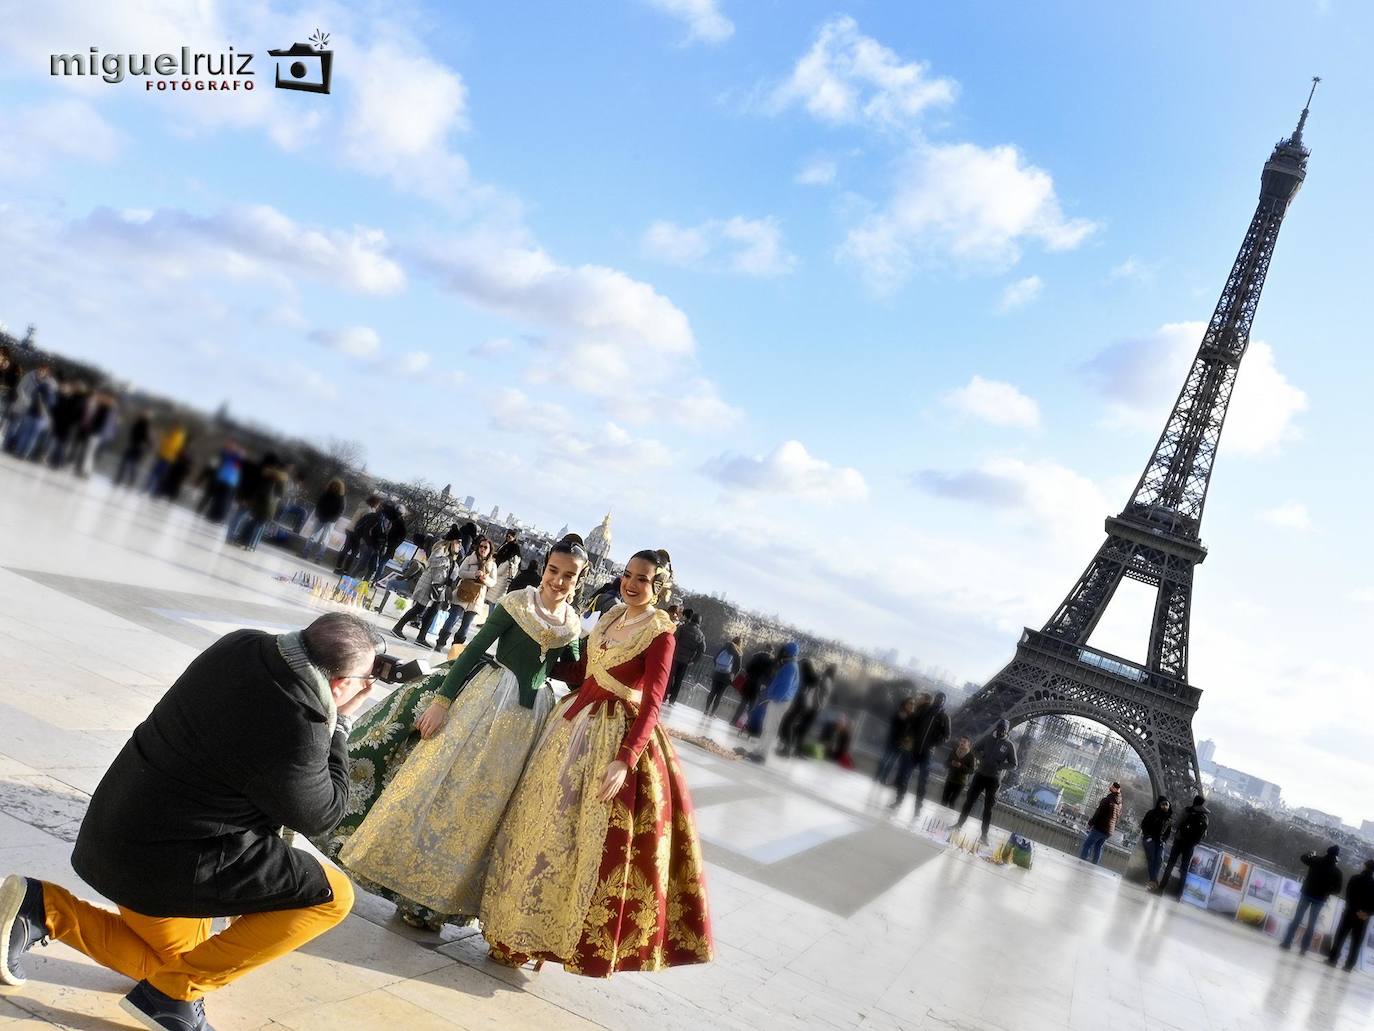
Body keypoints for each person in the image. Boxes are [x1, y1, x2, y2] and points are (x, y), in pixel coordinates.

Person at [0, 613, 378, 1030]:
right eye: (365, 679)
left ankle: (44, 908)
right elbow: (322, 813)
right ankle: (172, 996)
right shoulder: (300, 724)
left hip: (116, 829)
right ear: (340, 684)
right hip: (166, 866)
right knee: (333, 895)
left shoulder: (240, 644)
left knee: (177, 962)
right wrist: (340, 722)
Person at [329, 537, 588, 930]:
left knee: (485, 811)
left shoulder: (572, 623)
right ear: (546, 568)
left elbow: (570, 670)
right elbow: (472, 649)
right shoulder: (517, 602)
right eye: (554, 570)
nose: (558, 580)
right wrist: (442, 702)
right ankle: (409, 888)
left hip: (531, 720)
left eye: (569, 575)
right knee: (448, 789)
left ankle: (441, 903)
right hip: (487, 703)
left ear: (579, 579)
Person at [480, 549, 713, 975]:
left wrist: (626, 758)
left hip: (608, 737)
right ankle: (511, 928)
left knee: (569, 839)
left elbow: (653, 704)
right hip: (569, 725)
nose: (631, 583)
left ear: (658, 586)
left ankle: (541, 937)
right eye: (627, 575)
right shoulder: (608, 618)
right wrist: (539, 642)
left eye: (642, 579)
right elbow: (582, 671)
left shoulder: (661, 633)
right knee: (534, 824)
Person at [391, 525, 463, 647]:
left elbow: (451, 572)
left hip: (440, 586)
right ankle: (397, 628)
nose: (460, 545)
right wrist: (446, 561)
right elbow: (431, 561)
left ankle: (421, 637)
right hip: (429, 583)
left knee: (433, 611)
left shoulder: (453, 555)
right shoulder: (441, 548)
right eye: (458, 542)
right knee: (419, 608)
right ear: (452, 541)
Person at [952, 719, 1018, 846]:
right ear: (996, 728)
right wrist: (981, 758)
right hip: (980, 775)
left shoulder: (1009, 745)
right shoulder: (987, 739)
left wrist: (1000, 765)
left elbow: (1014, 764)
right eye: (999, 729)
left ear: (1007, 731)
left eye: (1003, 730)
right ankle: (959, 825)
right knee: (969, 801)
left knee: (988, 808)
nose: (1001, 732)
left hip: (994, 779)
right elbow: (975, 749)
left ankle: (984, 835)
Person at [891, 691, 950, 815]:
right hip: (915, 749)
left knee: (922, 782)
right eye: (938, 698)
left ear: (944, 702)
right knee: (905, 776)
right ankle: (898, 801)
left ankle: (917, 808)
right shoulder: (925, 711)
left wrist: (934, 743)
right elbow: (913, 724)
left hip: (927, 753)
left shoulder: (944, 717)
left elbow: (946, 736)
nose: (939, 700)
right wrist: (910, 736)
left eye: (942, 699)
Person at [434, 535, 495, 652]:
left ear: (489, 550)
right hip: (463, 593)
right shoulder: (470, 558)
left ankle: (456, 649)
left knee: (466, 625)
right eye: (481, 546)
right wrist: (474, 574)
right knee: (453, 618)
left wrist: (484, 579)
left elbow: (493, 582)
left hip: (477, 598)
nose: (482, 549)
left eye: (485, 547)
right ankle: (440, 643)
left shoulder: (492, 565)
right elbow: (461, 573)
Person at [1281, 846, 1344, 954]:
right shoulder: (1337, 872)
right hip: (1320, 899)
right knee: (1312, 923)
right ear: (1337, 857)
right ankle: (1304, 948)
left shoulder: (1316, 860)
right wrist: (1328, 891)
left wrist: (1310, 853)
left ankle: (1287, 942)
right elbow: (1337, 889)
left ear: (1327, 851)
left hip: (1307, 893)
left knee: (1297, 918)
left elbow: (1303, 858)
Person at [748, 642, 800, 763]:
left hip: (779, 701)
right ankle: (759, 751)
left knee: (770, 728)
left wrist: (772, 697)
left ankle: (762, 754)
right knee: (767, 726)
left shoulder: (790, 667)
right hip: (779, 700)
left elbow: (784, 686)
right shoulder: (791, 666)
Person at [1153, 795, 1209, 898]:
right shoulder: (1205, 817)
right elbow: (1204, 835)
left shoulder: (1187, 811)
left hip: (1179, 841)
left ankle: (1161, 889)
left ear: (1194, 801)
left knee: (1170, 865)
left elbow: (1177, 824)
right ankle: (1179, 895)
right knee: (1184, 869)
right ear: (1202, 804)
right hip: (1190, 845)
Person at [1327, 858, 1374, 971]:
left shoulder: (1355, 878)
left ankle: (1333, 959)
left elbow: (1349, 895)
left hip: (1350, 912)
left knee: (1340, 936)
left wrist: (1354, 908)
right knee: (1356, 942)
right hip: (1363, 917)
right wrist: (1367, 913)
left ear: (1364, 866)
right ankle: (1349, 965)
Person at [334, 495, 381, 575]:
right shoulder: (368, 511)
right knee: (354, 552)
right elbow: (365, 524)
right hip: (356, 532)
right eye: (378, 504)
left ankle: (337, 567)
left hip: (349, 528)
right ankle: (345, 570)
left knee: (346, 549)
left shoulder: (362, 506)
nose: (378, 506)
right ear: (374, 503)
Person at [302, 478, 347, 562]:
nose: (334, 487)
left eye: (336, 486)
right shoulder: (325, 494)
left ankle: (319, 558)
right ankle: (305, 553)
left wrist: (333, 519)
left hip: (331, 521)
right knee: (313, 536)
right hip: (321, 517)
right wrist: (318, 514)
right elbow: (319, 505)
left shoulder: (341, 498)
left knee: (325, 540)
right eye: (333, 485)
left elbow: (340, 511)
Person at [667, 610, 707, 706]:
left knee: (670, 676)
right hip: (686, 660)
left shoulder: (682, 627)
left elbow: (674, 638)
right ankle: (672, 700)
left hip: (675, 656)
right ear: (699, 622)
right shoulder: (700, 635)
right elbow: (702, 649)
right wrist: (694, 660)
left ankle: (664, 695)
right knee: (678, 680)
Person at [731, 646, 776, 730]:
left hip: (749, 681)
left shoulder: (756, 656)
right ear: (772, 652)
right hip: (759, 685)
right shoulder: (772, 661)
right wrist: (765, 684)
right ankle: (745, 724)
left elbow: (748, 667)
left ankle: (733, 721)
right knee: (753, 706)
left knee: (743, 703)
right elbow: (770, 674)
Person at [876, 697, 918, 786]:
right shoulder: (899, 713)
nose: (912, 705)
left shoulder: (912, 717)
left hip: (901, 743)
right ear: (905, 704)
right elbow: (894, 727)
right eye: (910, 703)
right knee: (885, 758)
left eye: (913, 704)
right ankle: (877, 776)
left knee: (892, 761)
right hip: (892, 741)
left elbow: (910, 730)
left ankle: (883, 778)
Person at [1079, 782, 1123, 865]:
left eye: (1112, 787)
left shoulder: (1107, 800)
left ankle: (1081, 863)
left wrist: (1090, 823)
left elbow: (1098, 813)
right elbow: (1117, 817)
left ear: (1114, 789)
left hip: (1100, 827)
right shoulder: (1120, 804)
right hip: (1109, 830)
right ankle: (1094, 865)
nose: (1110, 787)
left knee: (1087, 845)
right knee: (1098, 847)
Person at [1138, 797, 1173, 889]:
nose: (1165, 806)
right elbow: (1144, 825)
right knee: (1152, 858)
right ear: (1159, 805)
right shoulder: (1151, 813)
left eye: (1167, 805)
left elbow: (1168, 833)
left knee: (1159, 861)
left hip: (1160, 841)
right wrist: (1148, 836)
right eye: (1163, 804)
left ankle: (1152, 881)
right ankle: (1153, 880)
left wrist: (1164, 840)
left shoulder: (1169, 819)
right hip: (1150, 839)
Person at [705, 637, 743, 719]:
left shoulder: (725, 647)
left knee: (712, 692)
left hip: (717, 673)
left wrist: (718, 667)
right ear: (740, 644)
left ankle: (706, 710)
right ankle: (712, 713)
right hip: (727, 676)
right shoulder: (738, 652)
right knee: (719, 695)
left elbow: (715, 658)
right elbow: (738, 667)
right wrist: (733, 674)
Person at [145, 423, 187, 495]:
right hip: (167, 457)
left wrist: (161, 451)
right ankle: (152, 490)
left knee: (156, 474)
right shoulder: (176, 436)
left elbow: (170, 446)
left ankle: (151, 490)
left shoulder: (176, 436)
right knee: (158, 475)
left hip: (166, 457)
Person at [113, 410, 152, 487]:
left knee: (130, 465)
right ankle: (123, 480)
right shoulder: (140, 423)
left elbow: (146, 437)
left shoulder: (145, 425)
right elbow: (145, 437)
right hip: (134, 446)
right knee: (129, 464)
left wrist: (148, 445)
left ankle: (125, 481)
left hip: (137, 447)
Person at [941, 736, 976, 808]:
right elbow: (946, 763)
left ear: (968, 744)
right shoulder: (954, 751)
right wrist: (951, 763)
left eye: (964, 742)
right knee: (944, 800)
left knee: (952, 802)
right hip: (950, 779)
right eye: (961, 741)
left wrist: (961, 766)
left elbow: (971, 771)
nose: (962, 743)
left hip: (960, 782)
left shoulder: (971, 756)